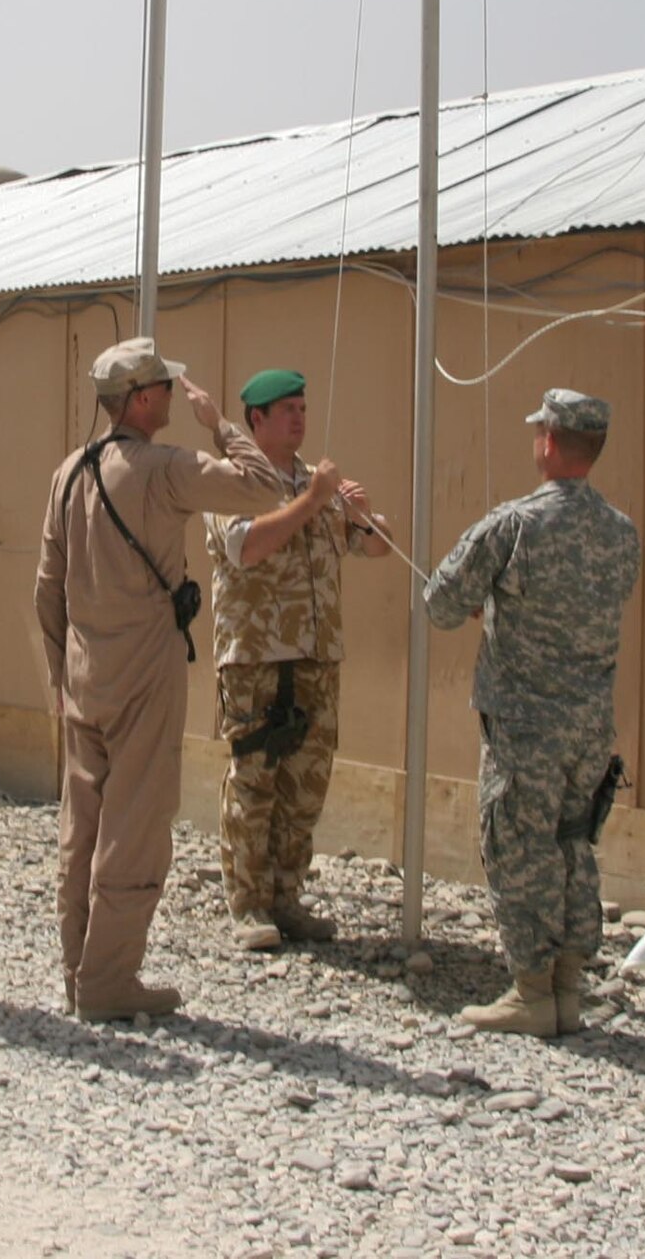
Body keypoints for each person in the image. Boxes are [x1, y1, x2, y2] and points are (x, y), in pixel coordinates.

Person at [36, 336, 279, 1023]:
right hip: (144, 670)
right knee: (135, 825)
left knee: (80, 827)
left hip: (84, 674)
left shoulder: (69, 473)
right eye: (166, 388)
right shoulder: (164, 468)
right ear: (141, 399)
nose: (175, 395)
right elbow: (263, 487)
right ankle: (109, 980)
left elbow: (45, 588)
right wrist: (222, 426)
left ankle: (78, 968)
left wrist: (60, 674)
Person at [423, 387, 641, 1037]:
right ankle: (568, 988)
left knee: (518, 847)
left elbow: (438, 601)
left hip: (525, 725)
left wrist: (485, 608)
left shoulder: (514, 523)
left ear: (548, 441)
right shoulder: (622, 533)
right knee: (574, 846)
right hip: (589, 728)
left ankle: (531, 990)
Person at [205, 368, 391, 954]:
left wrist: (358, 514)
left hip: (315, 657)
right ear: (255, 420)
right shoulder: (233, 482)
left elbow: (376, 545)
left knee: (304, 785)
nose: (299, 419)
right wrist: (312, 502)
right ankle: (249, 902)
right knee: (254, 782)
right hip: (256, 657)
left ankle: (287, 896)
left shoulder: (319, 483)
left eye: (303, 408)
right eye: (286, 409)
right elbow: (247, 547)